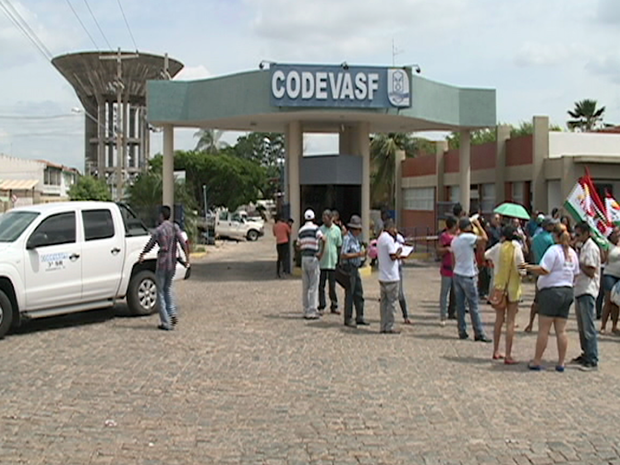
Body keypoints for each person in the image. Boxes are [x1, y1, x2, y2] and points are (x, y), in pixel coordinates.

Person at [523, 223, 579, 372]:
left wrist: (527, 267)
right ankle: (561, 362)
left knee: (544, 329)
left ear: (555, 235)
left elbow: (544, 269)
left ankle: (537, 360)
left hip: (551, 291)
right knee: (561, 330)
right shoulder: (572, 253)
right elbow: (576, 274)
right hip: (567, 290)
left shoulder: (553, 250)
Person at [139, 205, 190, 331]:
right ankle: (172, 315)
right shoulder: (174, 227)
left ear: (162, 215)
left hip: (162, 263)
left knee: (160, 293)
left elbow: (150, 244)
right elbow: (183, 243)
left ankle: (166, 322)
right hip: (172, 263)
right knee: (167, 289)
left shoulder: (159, 230)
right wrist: (187, 258)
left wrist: (143, 254)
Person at [485, 225, 525, 364]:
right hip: (513, 289)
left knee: (498, 320)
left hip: (500, 287)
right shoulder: (517, 248)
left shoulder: (498, 247)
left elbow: (486, 255)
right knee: (510, 322)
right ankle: (508, 354)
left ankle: (495, 350)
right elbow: (522, 268)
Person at [451, 217, 492, 342]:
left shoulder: (455, 240)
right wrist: (479, 225)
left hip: (457, 272)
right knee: (473, 305)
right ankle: (478, 332)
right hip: (468, 274)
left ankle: (461, 330)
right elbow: (484, 239)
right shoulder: (468, 238)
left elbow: (453, 259)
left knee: (460, 305)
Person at [571, 222, 601, 371]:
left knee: (588, 326)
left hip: (588, 290)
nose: (576, 237)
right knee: (582, 327)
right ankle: (585, 352)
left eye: (578, 234)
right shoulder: (583, 247)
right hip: (579, 289)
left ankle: (592, 357)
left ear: (585, 233)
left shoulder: (591, 248)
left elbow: (591, 271)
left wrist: (578, 261)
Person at [524, 216, 557, 333]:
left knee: (536, 299)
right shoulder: (550, 240)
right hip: (548, 271)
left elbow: (532, 253)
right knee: (549, 299)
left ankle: (530, 323)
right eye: (552, 225)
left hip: (538, 269)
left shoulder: (536, 238)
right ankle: (547, 325)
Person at [340, 215, 368, 327]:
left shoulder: (356, 240)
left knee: (359, 292)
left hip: (355, 268)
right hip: (349, 268)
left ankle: (360, 316)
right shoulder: (347, 239)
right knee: (350, 294)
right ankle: (348, 317)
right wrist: (357, 254)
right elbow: (343, 254)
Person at [297, 209, 325, 320]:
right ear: (313, 218)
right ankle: (312, 310)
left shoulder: (301, 230)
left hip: (304, 258)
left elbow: (298, 245)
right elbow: (323, 238)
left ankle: (305, 309)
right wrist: (321, 253)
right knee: (314, 285)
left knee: (305, 285)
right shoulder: (316, 229)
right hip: (313, 257)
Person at [377, 219, 403, 334]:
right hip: (391, 276)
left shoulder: (380, 238)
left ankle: (383, 325)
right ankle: (390, 326)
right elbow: (393, 256)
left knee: (384, 303)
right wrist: (399, 253)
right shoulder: (388, 240)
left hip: (382, 275)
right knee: (392, 303)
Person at [318, 209, 342, 315]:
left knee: (332, 285)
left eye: (326, 218)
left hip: (332, 261)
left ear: (331, 218)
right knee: (321, 285)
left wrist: (339, 260)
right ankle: (322, 305)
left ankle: (334, 305)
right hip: (322, 262)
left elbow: (339, 245)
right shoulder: (320, 230)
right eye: (323, 218)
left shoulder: (336, 230)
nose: (324, 220)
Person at [438, 215, 458, 325]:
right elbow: (439, 249)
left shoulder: (458, 236)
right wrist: (447, 249)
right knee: (445, 293)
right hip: (447, 269)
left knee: (456, 292)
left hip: (456, 269)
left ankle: (453, 312)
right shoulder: (445, 236)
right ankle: (443, 315)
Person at [601, 228, 620, 334]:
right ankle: (603, 325)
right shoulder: (607, 244)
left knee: (616, 302)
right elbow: (604, 259)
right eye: (616, 233)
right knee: (608, 300)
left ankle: (614, 326)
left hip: (619, 276)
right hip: (609, 274)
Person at [396, 230, 412, 324]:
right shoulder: (386, 239)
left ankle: (405, 315)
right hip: (389, 269)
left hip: (397, 267)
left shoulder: (398, 237)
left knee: (400, 293)